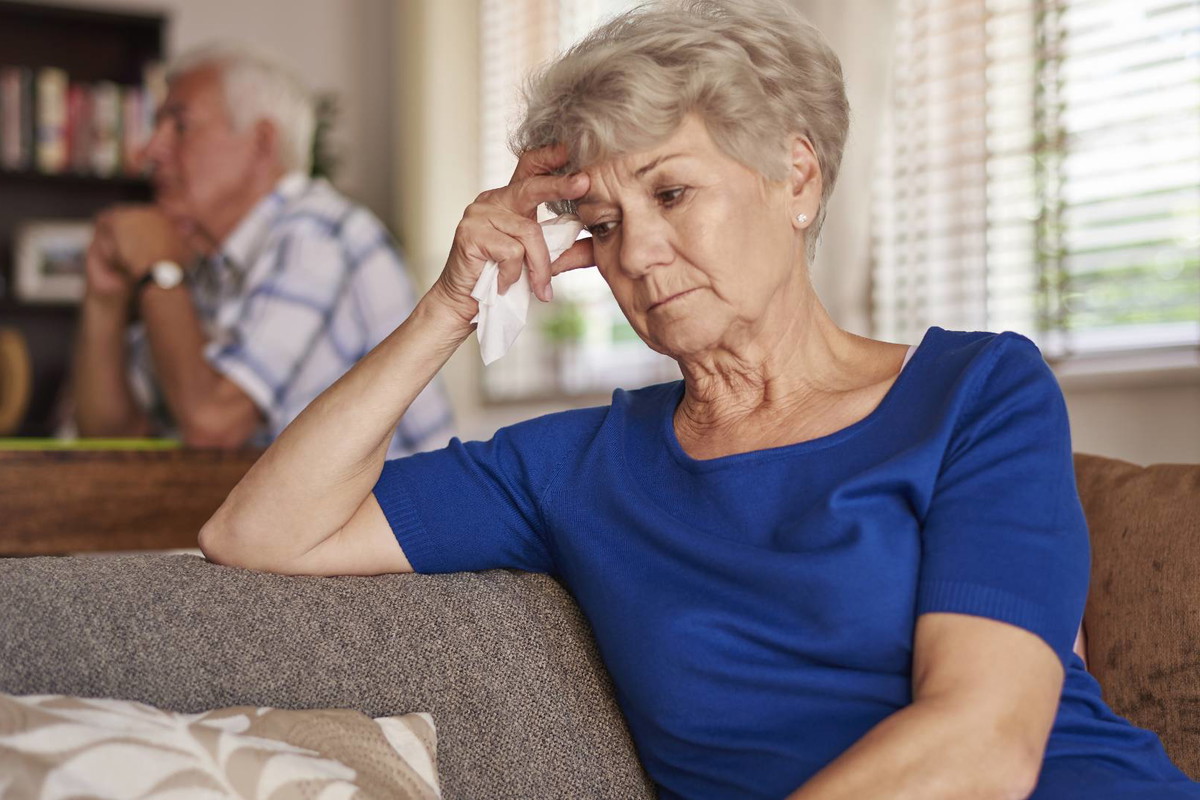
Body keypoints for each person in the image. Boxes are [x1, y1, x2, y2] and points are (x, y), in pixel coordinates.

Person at [198, 2, 1200, 797]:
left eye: (671, 194)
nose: (634, 252)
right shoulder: (573, 467)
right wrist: (450, 305)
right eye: (600, 219)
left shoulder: (976, 393)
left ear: (794, 173)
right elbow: (261, 530)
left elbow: (983, 745)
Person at [71, 45, 453, 457]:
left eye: (179, 126)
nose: (148, 151)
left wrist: (160, 270)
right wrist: (104, 299)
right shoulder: (207, 266)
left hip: (407, 520)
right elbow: (112, 440)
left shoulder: (319, 235)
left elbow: (212, 428)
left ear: (261, 142)